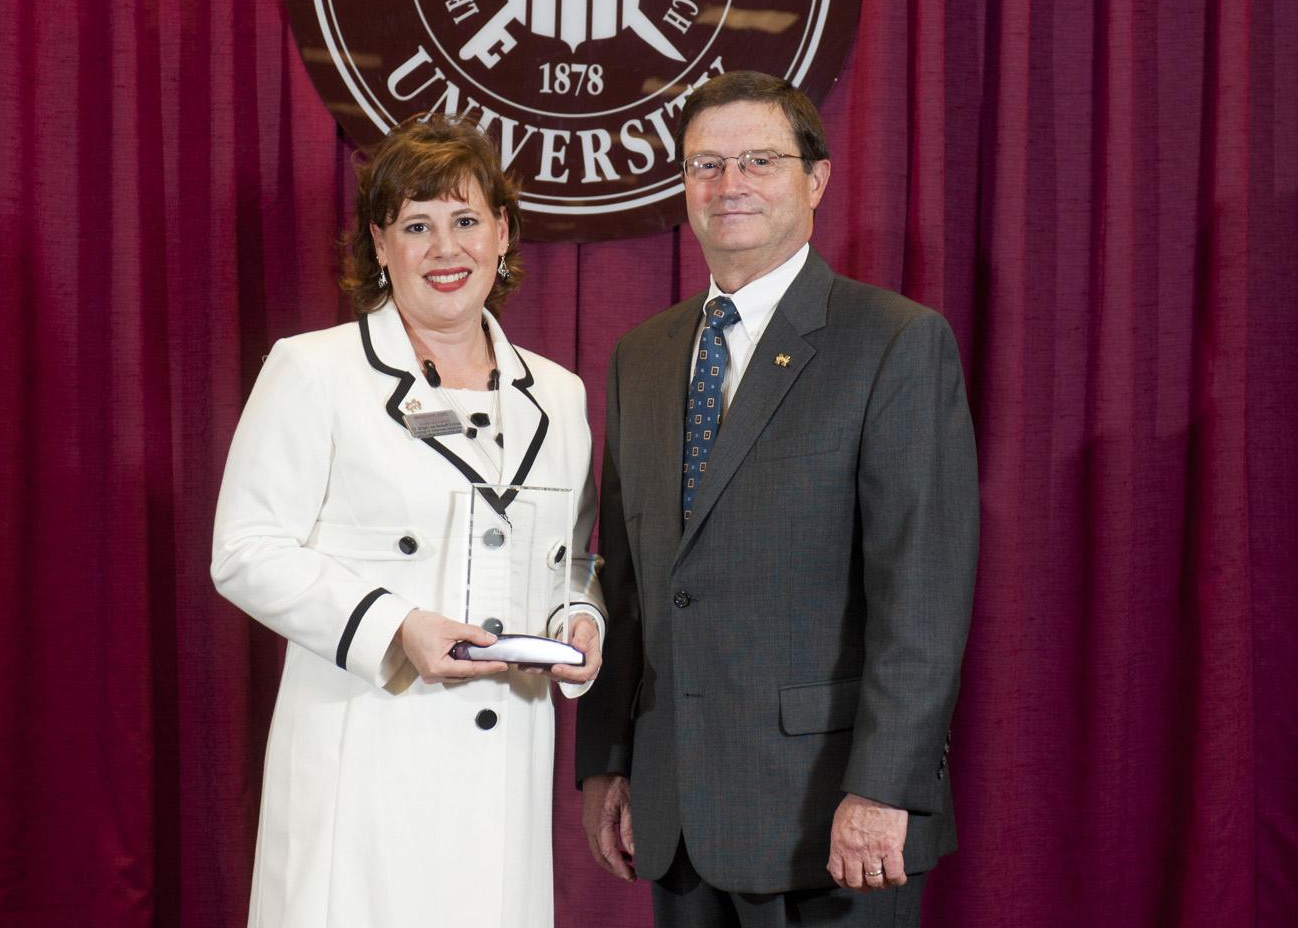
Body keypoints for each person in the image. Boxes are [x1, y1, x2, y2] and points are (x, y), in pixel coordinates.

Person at [575, 71, 979, 927]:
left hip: (831, 820)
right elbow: (632, 582)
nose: (730, 187)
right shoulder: (640, 356)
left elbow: (923, 597)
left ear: (816, 179)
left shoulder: (895, 343)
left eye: (759, 161)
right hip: (676, 813)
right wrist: (610, 763)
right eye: (706, 165)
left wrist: (883, 787)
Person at [212, 113, 605, 928]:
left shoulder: (559, 396)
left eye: (466, 221)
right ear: (379, 246)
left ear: (503, 233)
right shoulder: (314, 370)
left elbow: (571, 560)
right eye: (416, 226)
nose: (445, 249)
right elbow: (245, 551)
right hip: (366, 761)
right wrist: (398, 626)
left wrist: (579, 619)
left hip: (504, 771)